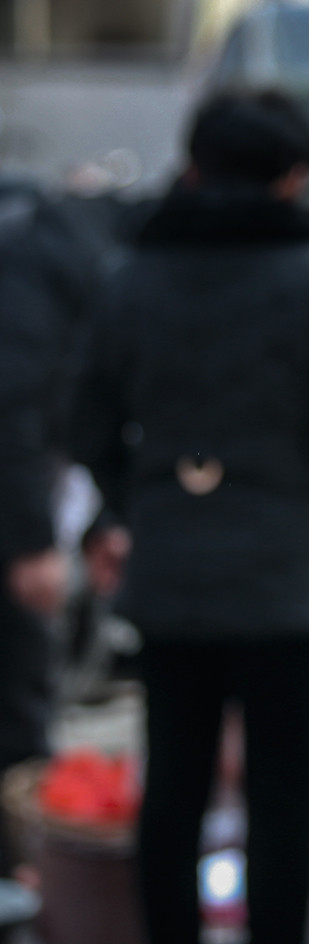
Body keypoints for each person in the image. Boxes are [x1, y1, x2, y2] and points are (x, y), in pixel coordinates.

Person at [69, 89, 309, 944]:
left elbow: (87, 418)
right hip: (291, 582)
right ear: (293, 178)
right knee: (281, 797)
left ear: (193, 167)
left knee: (172, 790)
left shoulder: (131, 274)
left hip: (174, 576)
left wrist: (129, 501)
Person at [0, 173, 109, 868]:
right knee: (16, 700)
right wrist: (33, 540)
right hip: (15, 520)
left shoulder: (46, 235)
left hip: (29, 504)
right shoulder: (41, 246)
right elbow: (14, 401)